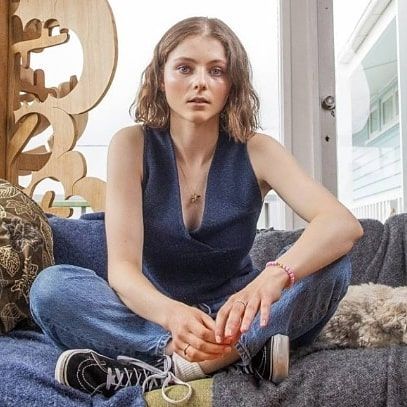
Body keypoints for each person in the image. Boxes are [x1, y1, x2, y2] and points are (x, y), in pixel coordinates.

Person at [29, 16, 364, 404]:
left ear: (231, 84)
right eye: (185, 68)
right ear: (160, 77)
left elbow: (341, 224)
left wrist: (272, 278)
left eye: (216, 71)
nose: (200, 83)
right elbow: (122, 271)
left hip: (238, 315)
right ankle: (231, 357)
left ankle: (169, 366)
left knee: (334, 266)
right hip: (155, 315)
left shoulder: (258, 150)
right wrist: (172, 317)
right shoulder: (131, 144)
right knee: (51, 289)